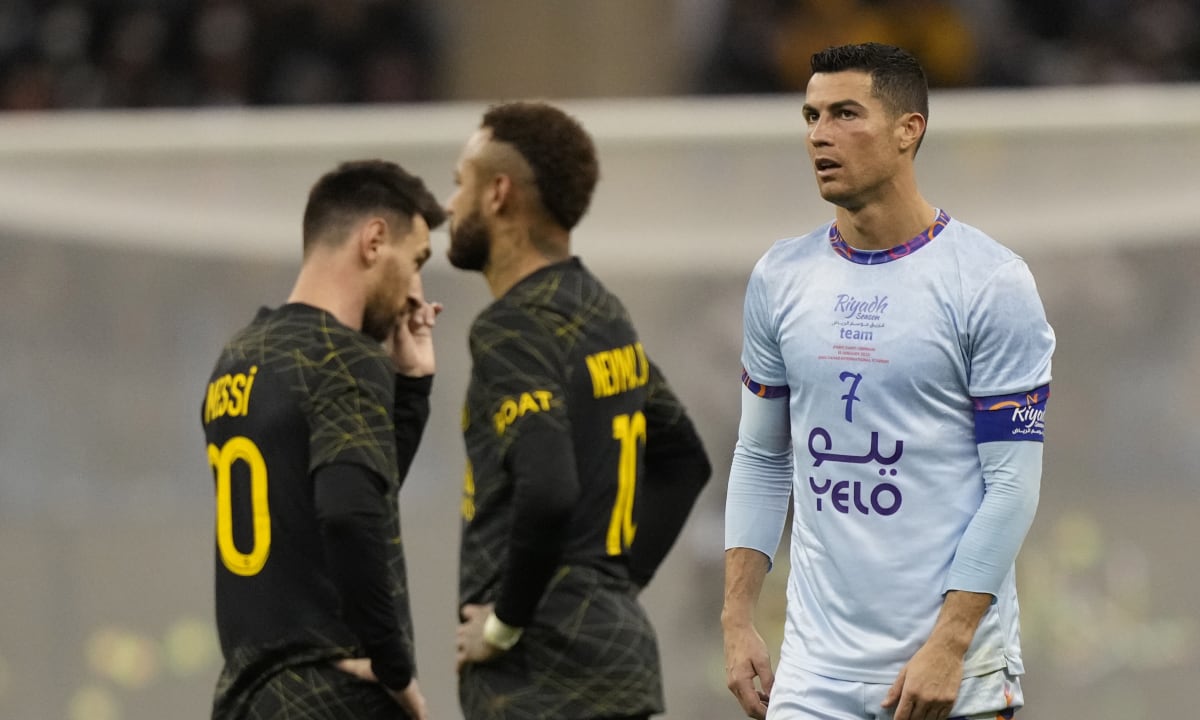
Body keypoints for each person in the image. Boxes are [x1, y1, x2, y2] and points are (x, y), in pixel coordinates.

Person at [722, 43, 1055, 720]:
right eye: (812, 115)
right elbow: (761, 457)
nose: (820, 133)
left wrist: (951, 646)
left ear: (910, 129)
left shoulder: (989, 282)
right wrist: (736, 619)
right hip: (814, 674)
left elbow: (1012, 484)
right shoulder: (781, 278)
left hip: (946, 674)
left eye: (846, 113)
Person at [445, 100, 713, 720]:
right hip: (617, 669)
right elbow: (685, 461)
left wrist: (503, 624)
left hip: (543, 684)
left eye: (461, 183)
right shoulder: (600, 312)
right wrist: (611, 588)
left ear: (499, 193)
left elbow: (547, 487)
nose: (449, 205)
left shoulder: (512, 326)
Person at [200, 159, 445, 720]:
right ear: (375, 240)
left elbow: (352, 495)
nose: (416, 290)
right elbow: (349, 516)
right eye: (417, 261)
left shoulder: (239, 357)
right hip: (329, 692)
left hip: (248, 697)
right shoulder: (342, 357)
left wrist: (411, 389)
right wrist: (392, 666)